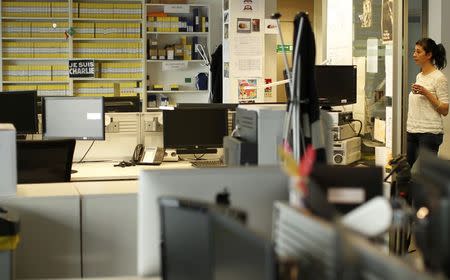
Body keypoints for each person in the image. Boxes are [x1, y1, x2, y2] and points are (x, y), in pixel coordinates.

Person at [407, 38, 449, 168]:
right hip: (412, 130)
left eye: (418, 52)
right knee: (407, 170)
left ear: (429, 55)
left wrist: (426, 93)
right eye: (414, 51)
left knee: (427, 173)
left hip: (429, 133)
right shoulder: (419, 76)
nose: (414, 55)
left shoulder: (439, 78)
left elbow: (445, 109)